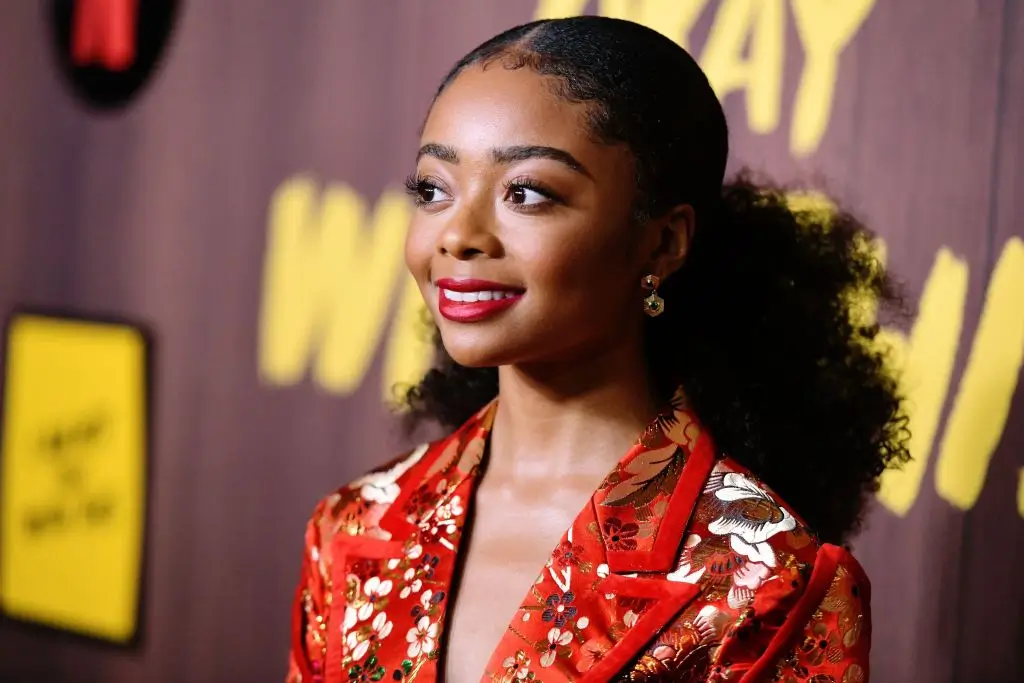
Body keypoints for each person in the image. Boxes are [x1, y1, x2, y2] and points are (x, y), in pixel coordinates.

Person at [286, 15, 909, 683]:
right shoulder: (355, 524)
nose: (457, 235)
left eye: (526, 193)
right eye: (434, 189)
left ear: (663, 243)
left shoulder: (770, 587)